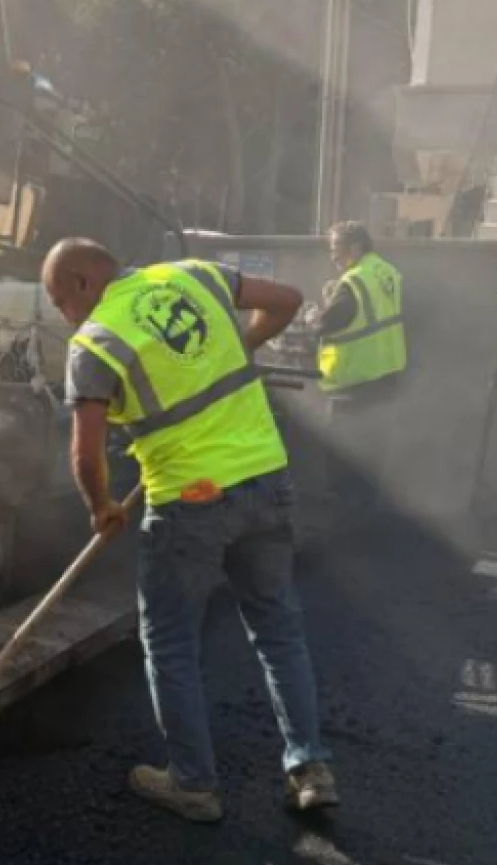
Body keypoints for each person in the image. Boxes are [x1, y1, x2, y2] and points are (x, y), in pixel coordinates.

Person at [42, 239, 337, 824]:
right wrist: (237, 349)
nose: (61, 313)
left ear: (82, 280)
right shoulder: (193, 274)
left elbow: (86, 454)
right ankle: (310, 768)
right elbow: (288, 301)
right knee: (278, 630)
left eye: (58, 299)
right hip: (266, 479)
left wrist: (101, 507)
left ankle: (193, 785)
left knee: (171, 641)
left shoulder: (95, 341)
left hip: (189, 502)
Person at [317, 221, 407, 512]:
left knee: (343, 461)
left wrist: (314, 314)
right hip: (386, 377)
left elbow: (328, 322)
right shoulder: (386, 271)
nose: (333, 257)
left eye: (337, 250)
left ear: (355, 248)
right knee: (371, 459)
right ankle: (365, 522)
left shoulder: (353, 281)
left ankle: (344, 525)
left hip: (354, 382)